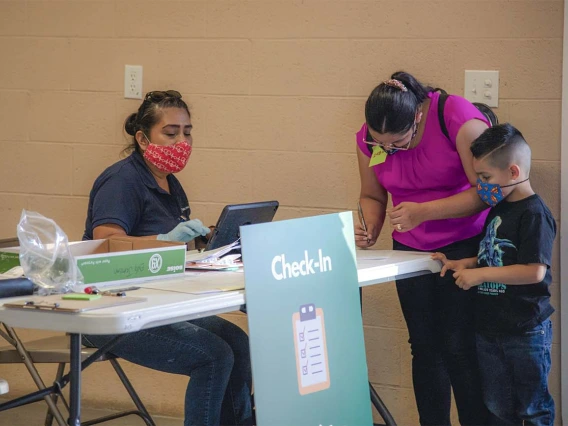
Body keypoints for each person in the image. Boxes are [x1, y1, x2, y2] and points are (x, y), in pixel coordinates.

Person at [82, 90, 253, 426]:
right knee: (214, 356)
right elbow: (104, 242)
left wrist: (206, 241)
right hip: (109, 311)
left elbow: (172, 254)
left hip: (155, 303)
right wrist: (164, 240)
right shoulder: (123, 181)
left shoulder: (170, 184)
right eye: (171, 133)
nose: (182, 142)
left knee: (237, 342)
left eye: (187, 132)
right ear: (144, 139)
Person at [354, 71, 490, 425]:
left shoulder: (456, 117)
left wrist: (425, 211)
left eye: (397, 142)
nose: (388, 149)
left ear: (417, 116)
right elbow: (372, 195)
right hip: (410, 250)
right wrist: (371, 228)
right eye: (380, 143)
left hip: (464, 245)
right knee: (424, 347)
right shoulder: (372, 139)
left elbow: (489, 191)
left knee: (460, 347)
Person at [433, 124, 556, 425]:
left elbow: (534, 270)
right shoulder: (498, 208)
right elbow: (497, 253)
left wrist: (481, 276)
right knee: (497, 408)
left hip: (525, 331)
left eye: (486, 178)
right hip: (490, 331)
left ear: (514, 172)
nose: (481, 186)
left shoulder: (534, 213)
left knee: (532, 409)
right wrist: (468, 264)